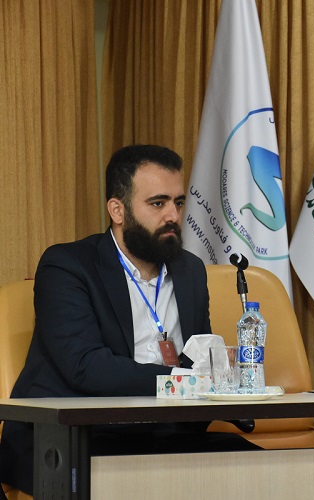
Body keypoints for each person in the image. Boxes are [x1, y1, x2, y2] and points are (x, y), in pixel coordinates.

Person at [0, 145, 256, 494]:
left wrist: (219, 376)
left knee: (263, 471)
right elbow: (86, 366)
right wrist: (182, 382)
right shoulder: (68, 266)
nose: (173, 216)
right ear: (117, 210)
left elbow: (197, 356)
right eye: (158, 203)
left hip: (162, 434)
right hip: (75, 437)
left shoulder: (190, 270)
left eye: (178, 203)